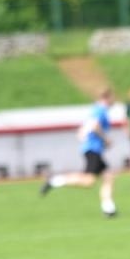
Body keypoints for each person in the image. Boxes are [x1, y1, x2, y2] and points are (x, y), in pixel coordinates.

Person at [41, 88, 118, 218]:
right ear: (107, 98)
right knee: (88, 181)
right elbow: (94, 126)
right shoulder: (100, 110)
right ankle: (55, 180)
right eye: (112, 98)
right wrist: (106, 139)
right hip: (92, 149)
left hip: (93, 149)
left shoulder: (96, 109)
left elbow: (85, 128)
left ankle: (108, 208)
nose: (114, 101)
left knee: (108, 176)